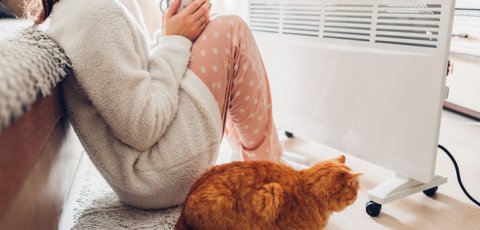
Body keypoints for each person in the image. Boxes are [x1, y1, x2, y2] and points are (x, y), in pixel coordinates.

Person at [28, 0, 289, 209]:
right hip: (157, 173)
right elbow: (143, 127)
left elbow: (138, 76)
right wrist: (176, 41)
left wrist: (170, 35)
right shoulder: (95, 15)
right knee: (231, 30)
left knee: (215, 26)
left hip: (148, 174)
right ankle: (269, 177)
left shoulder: (87, 9)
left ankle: (253, 165)